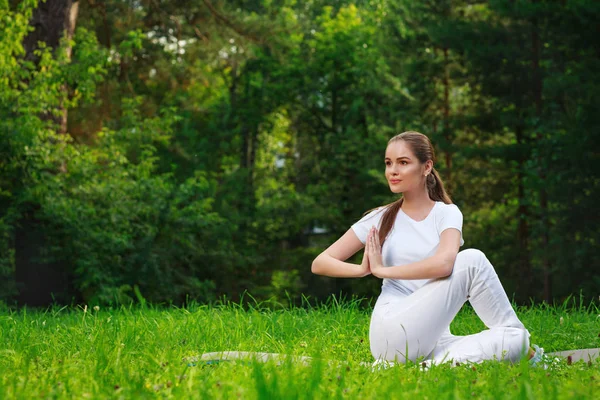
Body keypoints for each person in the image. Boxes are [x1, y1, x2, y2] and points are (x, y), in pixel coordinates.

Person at [311, 131, 541, 367]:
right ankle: (533, 358)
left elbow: (443, 264)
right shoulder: (380, 217)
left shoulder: (447, 214)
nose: (393, 171)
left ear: (426, 167)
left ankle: (426, 368)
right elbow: (320, 262)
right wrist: (363, 270)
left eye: (403, 162)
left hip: (431, 340)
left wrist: (384, 270)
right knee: (473, 260)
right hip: (392, 332)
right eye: (389, 163)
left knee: (514, 341)